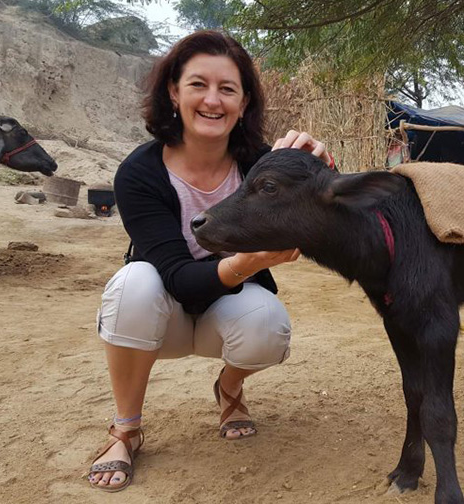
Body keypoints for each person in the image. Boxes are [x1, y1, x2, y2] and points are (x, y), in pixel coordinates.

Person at [88, 30, 334, 492]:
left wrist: (321, 166)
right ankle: (126, 428)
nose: (213, 100)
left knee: (268, 324)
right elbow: (178, 279)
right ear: (173, 91)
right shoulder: (140, 173)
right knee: (133, 283)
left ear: (244, 103)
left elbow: (326, 213)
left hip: (227, 312)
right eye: (198, 84)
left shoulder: (263, 164)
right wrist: (249, 260)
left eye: (228, 89)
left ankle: (230, 388)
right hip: (162, 315)